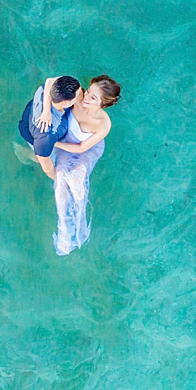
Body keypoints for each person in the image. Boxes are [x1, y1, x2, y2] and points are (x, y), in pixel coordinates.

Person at [49, 75, 121, 255]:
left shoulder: (104, 124)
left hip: (87, 148)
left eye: (93, 98)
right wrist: (44, 112)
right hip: (68, 140)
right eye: (88, 91)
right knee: (60, 180)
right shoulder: (78, 95)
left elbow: (81, 148)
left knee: (76, 179)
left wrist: (53, 144)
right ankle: (64, 229)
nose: (86, 98)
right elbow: (51, 82)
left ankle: (80, 221)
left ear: (102, 104)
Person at [18, 75, 81, 181]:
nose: (80, 97)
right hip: (34, 136)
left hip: (30, 116)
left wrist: (46, 110)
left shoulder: (46, 89)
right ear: (65, 103)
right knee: (43, 156)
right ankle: (25, 153)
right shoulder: (48, 134)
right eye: (77, 96)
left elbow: (50, 81)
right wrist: (57, 178)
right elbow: (45, 160)